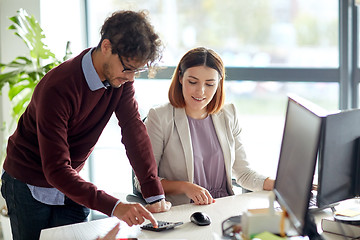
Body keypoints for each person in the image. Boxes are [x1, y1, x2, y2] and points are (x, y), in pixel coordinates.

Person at [1, 10, 171, 240]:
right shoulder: (58, 88)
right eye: (128, 68)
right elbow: (56, 169)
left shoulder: (120, 82)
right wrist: (116, 207)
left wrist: (154, 195)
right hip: (27, 181)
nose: (131, 78)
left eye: (137, 71)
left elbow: (133, 131)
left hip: (69, 178)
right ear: (107, 47)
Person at [135, 47, 275, 206]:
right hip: (185, 211)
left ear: (219, 84)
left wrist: (279, 185)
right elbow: (142, 182)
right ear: (180, 77)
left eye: (209, 84)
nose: (200, 91)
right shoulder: (159, 118)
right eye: (192, 82)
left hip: (224, 207)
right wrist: (185, 187)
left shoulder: (229, 114)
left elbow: (244, 174)